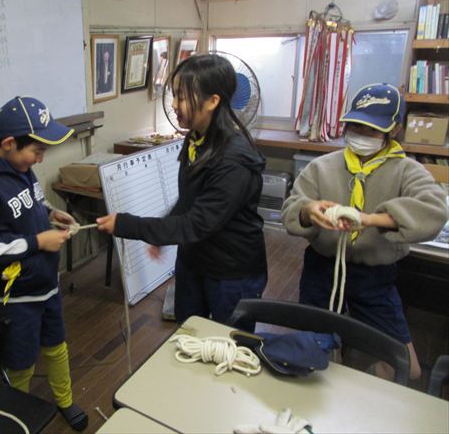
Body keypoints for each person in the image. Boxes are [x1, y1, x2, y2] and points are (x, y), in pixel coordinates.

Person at [281, 83, 448, 380]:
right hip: (323, 270)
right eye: (355, 126)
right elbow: (293, 206)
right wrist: (309, 211)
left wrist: (371, 220)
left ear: (394, 130)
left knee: (407, 367)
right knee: (313, 352)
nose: (360, 135)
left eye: (371, 130)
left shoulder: (407, 170)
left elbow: (434, 210)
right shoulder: (323, 167)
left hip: (374, 275)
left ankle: (355, 391)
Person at [97, 54, 268, 325]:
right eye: (174, 95)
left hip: (231, 272)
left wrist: (126, 225)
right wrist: (164, 227)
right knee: (188, 334)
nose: (175, 105)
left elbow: (196, 223)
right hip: (194, 261)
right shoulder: (197, 138)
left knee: (232, 347)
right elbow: (192, 199)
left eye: (183, 97)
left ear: (213, 101)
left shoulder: (234, 159)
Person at [0, 96, 88, 431]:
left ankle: (65, 400)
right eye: (37, 151)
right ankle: (20, 415)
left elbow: (32, 205)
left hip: (47, 284)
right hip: (15, 297)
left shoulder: (23, 167)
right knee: (21, 361)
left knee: (57, 345)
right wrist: (36, 242)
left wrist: (50, 214)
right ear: (9, 143)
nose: (40, 159)